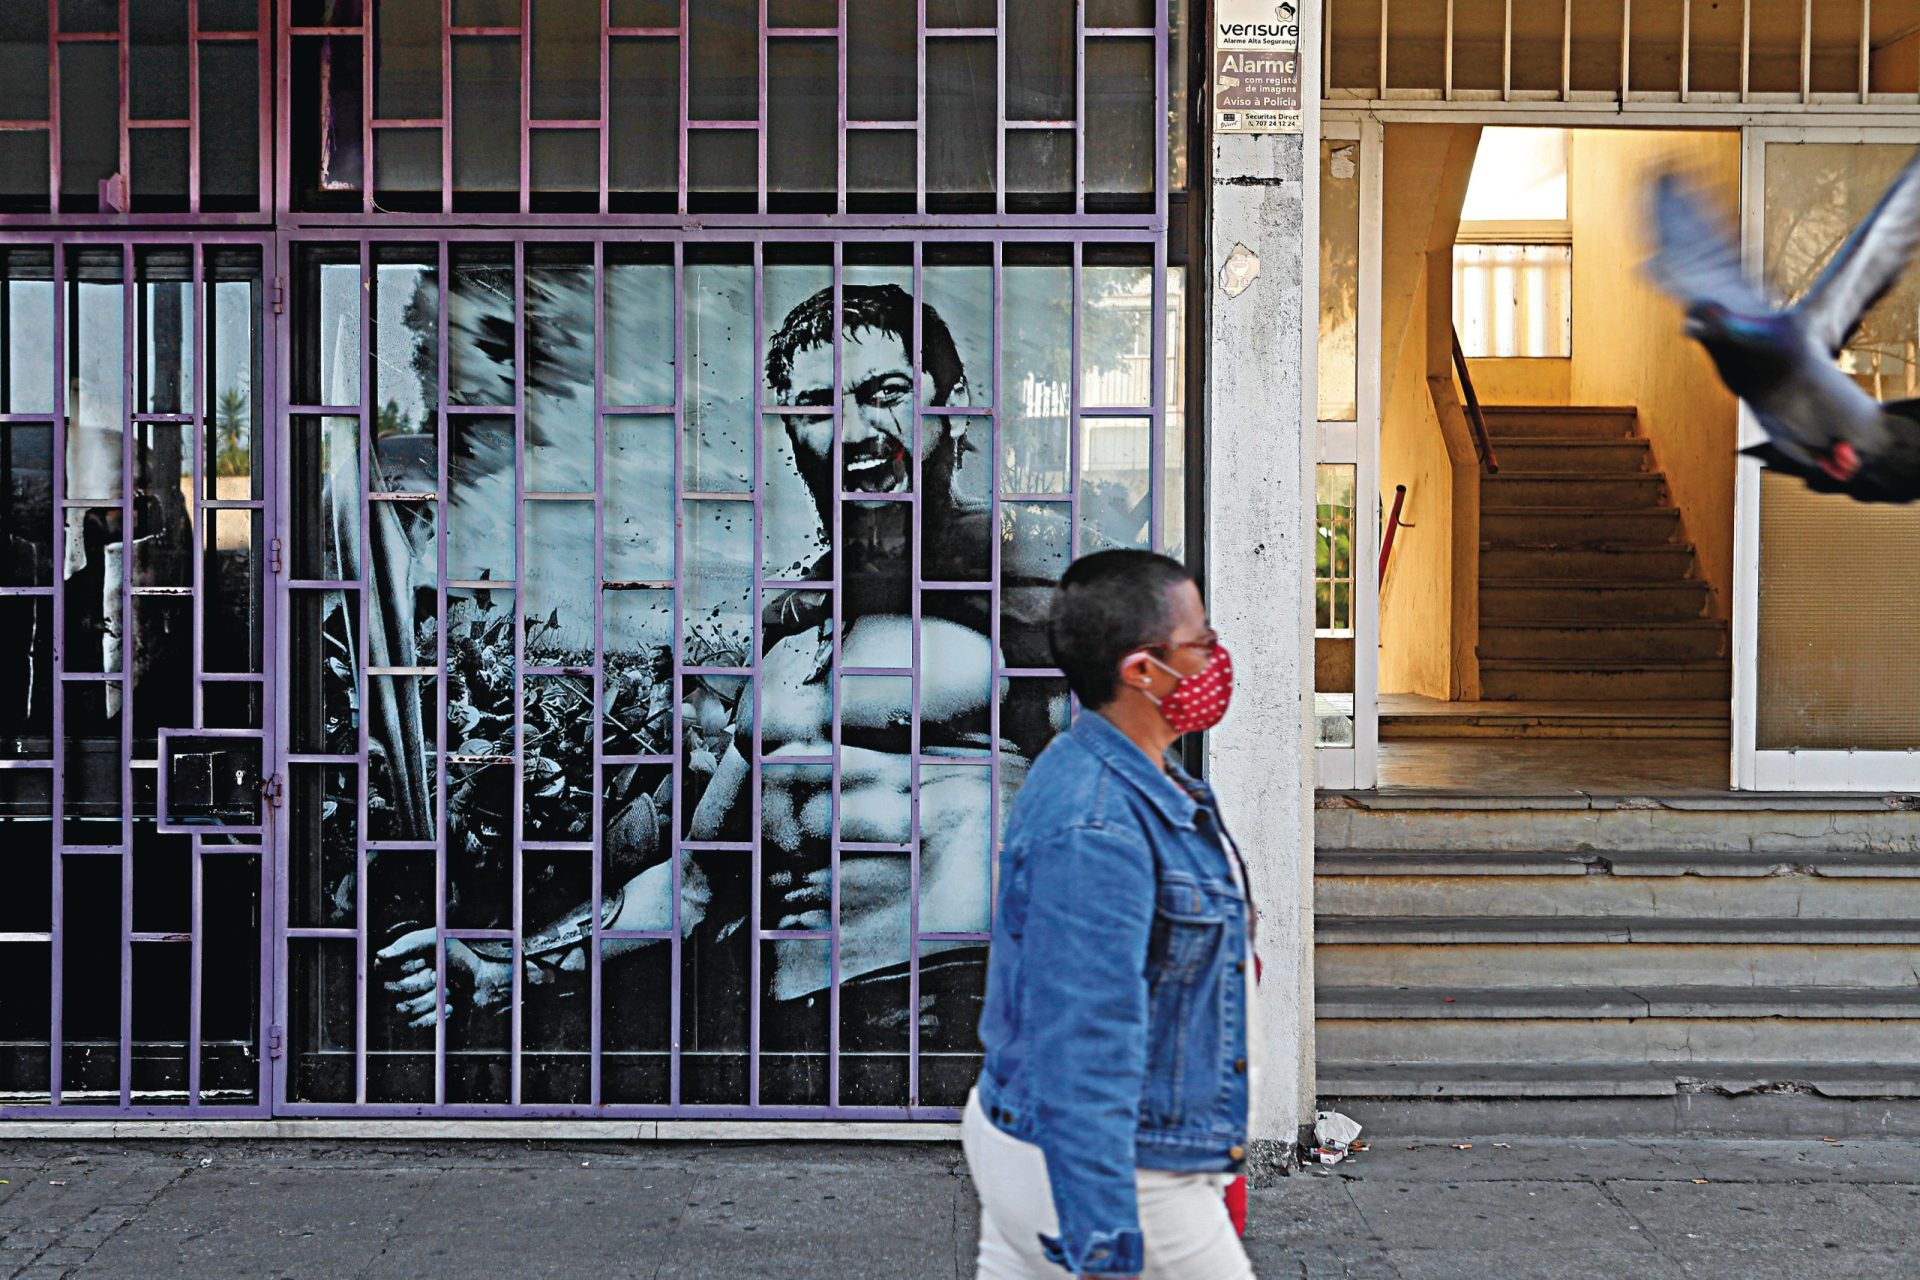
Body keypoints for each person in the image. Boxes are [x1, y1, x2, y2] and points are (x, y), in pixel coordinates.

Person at [966, 549, 1256, 1280]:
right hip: (1129, 1172)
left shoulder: (1136, 775)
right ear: (1142, 671)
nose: (1216, 657)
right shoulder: (1097, 824)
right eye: (1201, 643)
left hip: (1054, 1146)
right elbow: (1084, 1041)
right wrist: (1104, 1242)